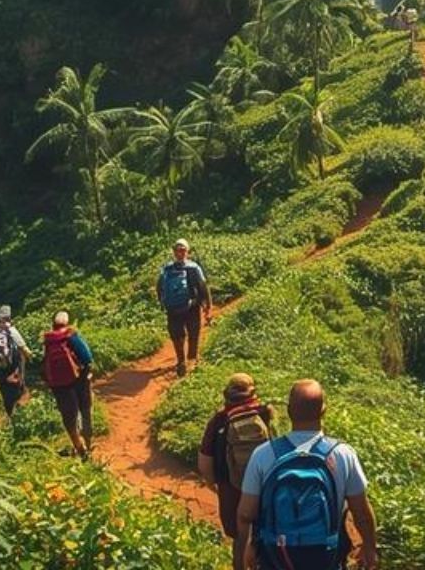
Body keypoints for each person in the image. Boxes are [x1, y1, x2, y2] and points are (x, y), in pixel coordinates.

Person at [238, 379, 377, 570]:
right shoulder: (343, 454)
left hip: (276, 554)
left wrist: (249, 547)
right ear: (323, 411)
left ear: (288, 411)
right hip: (325, 555)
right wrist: (369, 547)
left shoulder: (263, 454)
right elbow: (361, 512)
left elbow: (246, 512)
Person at [198, 373, 276, 566]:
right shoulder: (265, 413)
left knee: (240, 538)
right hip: (263, 486)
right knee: (264, 534)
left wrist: (212, 483)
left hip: (231, 487)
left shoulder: (220, 419)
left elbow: (205, 460)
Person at [40, 310, 94, 459]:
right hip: (79, 380)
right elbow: (87, 356)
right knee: (85, 409)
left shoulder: (47, 341)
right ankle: (88, 442)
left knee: (69, 416)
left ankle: (79, 447)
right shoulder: (71, 336)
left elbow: (43, 365)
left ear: (53, 324)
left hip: (59, 386)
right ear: (67, 323)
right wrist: (87, 371)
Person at [157, 238, 211, 377]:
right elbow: (203, 287)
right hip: (192, 307)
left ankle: (181, 361)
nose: (180, 253)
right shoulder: (193, 267)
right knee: (193, 334)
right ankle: (191, 360)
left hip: (173, 308)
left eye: (181, 250)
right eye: (179, 250)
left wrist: (163, 303)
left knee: (177, 336)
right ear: (187, 252)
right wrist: (207, 307)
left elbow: (159, 287)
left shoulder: (167, 268)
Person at [0, 304, 30, 417]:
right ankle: (22, 414)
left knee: (5, 393)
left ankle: (10, 415)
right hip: (14, 370)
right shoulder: (13, 331)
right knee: (19, 390)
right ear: (10, 318)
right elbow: (25, 350)